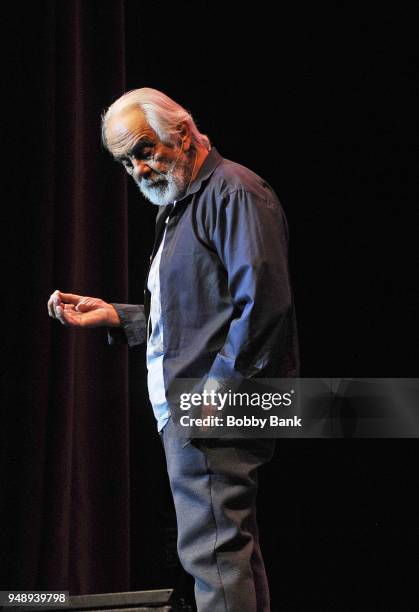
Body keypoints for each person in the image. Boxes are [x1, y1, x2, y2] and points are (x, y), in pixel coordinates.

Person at [47, 88, 299, 612]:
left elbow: (263, 307)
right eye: (125, 162)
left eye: (143, 151)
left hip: (214, 404)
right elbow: (200, 311)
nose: (138, 170)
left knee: (214, 557)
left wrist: (213, 398)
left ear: (181, 134)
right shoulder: (183, 204)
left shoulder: (233, 191)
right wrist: (121, 316)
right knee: (228, 556)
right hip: (200, 400)